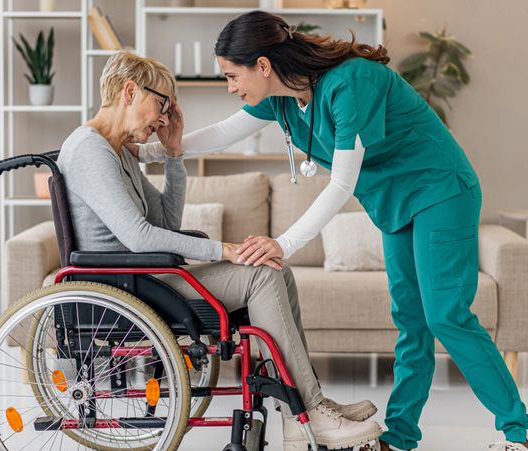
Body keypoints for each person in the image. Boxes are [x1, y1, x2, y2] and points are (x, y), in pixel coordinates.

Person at [134, 11, 528, 451]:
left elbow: (342, 183)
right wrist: (144, 149)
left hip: (440, 190)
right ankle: (401, 438)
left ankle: (522, 434)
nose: (231, 87)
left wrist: (284, 243)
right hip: (394, 202)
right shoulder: (282, 98)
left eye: (233, 76)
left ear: (263, 65)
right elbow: (223, 132)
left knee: (446, 314)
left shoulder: (351, 83)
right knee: (410, 321)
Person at [57, 50, 382, 451]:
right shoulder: (90, 149)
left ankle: (309, 403)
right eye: (161, 104)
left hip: (146, 277)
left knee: (273, 267)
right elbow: (141, 238)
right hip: (126, 286)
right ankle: (307, 413)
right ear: (129, 91)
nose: (162, 118)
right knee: (261, 274)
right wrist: (222, 250)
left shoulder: (117, 151)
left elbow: (165, 224)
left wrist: (174, 154)